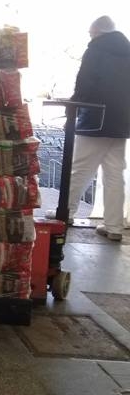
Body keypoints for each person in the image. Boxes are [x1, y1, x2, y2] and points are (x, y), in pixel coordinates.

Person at [65, 16, 130, 241]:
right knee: (114, 174)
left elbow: (84, 83)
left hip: (96, 119)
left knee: (80, 168)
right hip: (122, 123)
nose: (90, 37)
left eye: (91, 33)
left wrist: (73, 107)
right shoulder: (128, 51)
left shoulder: (96, 49)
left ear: (99, 32)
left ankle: (65, 212)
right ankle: (114, 227)